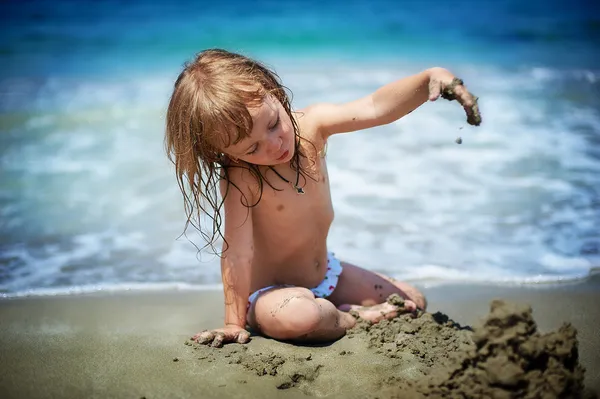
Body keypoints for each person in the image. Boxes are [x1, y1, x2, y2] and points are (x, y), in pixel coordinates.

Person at [165, 49, 480, 347]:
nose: (273, 145)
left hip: (326, 274)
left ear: (271, 90)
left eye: (274, 124)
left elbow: (374, 106)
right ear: (222, 152)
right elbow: (237, 252)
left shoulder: (312, 125)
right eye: (252, 149)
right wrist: (233, 324)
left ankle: (336, 311)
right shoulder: (241, 177)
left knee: (413, 300)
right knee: (303, 316)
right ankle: (351, 317)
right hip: (273, 296)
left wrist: (428, 80)